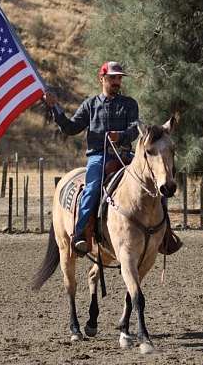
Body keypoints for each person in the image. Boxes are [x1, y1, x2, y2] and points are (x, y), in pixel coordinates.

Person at [43, 61, 139, 254]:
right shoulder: (90, 105)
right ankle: (80, 234)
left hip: (125, 155)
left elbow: (135, 130)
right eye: (112, 78)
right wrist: (55, 108)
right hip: (99, 156)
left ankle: (164, 233)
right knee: (93, 187)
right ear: (101, 78)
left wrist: (120, 136)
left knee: (151, 180)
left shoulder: (130, 104)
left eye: (119, 78)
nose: (116, 81)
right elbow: (70, 128)